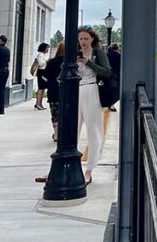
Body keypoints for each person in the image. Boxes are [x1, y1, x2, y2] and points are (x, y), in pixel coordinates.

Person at [74, 26, 111, 184]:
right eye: (81, 39)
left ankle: (89, 169)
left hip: (93, 90)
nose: (83, 42)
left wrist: (89, 63)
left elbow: (107, 71)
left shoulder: (98, 52)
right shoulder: (74, 52)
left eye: (86, 39)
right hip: (76, 91)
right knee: (71, 129)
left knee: (94, 130)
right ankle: (68, 164)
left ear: (92, 39)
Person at [40, 42, 65, 141]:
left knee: (55, 113)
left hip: (53, 90)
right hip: (66, 93)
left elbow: (44, 76)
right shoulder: (71, 62)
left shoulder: (51, 62)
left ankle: (56, 134)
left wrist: (50, 82)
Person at [31, 43, 50, 110]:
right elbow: (41, 63)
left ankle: (40, 104)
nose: (47, 50)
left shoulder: (43, 55)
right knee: (41, 88)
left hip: (43, 72)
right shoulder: (40, 55)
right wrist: (47, 61)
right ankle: (38, 104)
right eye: (47, 48)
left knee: (42, 88)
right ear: (43, 48)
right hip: (41, 72)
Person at [106, 43, 122, 112]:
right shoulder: (119, 56)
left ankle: (108, 104)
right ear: (117, 48)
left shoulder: (106, 55)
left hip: (107, 75)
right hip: (116, 75)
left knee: (108, 90)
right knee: (115, 91)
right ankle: (112, 105)